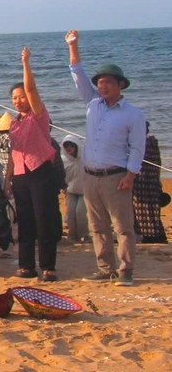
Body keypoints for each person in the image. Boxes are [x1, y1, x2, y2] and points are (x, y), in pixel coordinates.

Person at [67, 30, 145, 286]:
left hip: (117, 176)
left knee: (123, 227)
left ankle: (126, 270)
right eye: (100, 82)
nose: (103, 85)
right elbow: (77, 72)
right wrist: (73, 45)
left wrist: (131, 174)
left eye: (108, 82)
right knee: (97, 226)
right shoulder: (93, 103)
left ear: (120, 84)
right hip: (90, 175)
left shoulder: (132, 113)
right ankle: (105, 268)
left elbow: (137, 147)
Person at [6, 47, 63, 281]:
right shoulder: (14, 123)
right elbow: (12, 153)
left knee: (44, 218)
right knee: (25, 222)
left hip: (41, 172)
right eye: (14, 99)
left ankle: (48, 266)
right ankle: (26, 266)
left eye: (21, 97)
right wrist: (7, 179)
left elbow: (31, 89)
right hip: (20, 175)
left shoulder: (38, 116)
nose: (19, 101)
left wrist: (26, 63)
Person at [132, 124, 166, 244]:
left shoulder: (145, 144)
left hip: (144, 183)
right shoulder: (151, 143)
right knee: (149, 212)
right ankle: (155, 236)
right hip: (150, 182)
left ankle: (151, 236)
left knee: (145, 211)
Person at [60, 135, 88, 243]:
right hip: (71, 190)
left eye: (71, 146)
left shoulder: (85, 158)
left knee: (80, 212)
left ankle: (84, 235)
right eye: (66, 146)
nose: (69, 148)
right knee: (70, 213)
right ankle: (72, 236)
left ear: (76, 146)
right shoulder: (64, 160)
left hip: (84, 191)